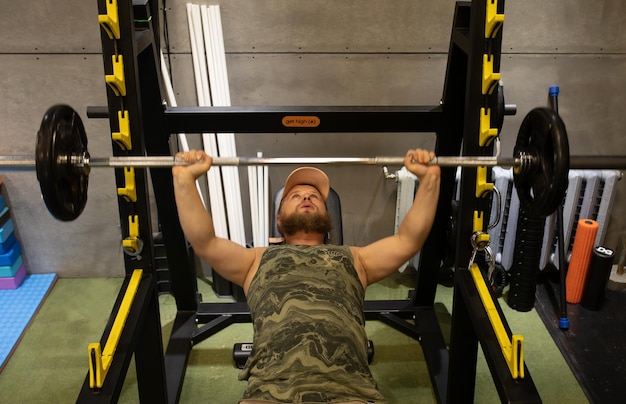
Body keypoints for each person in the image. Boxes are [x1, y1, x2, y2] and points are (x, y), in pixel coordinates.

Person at [172, 149, 440, 404]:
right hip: (268, 389)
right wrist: (184, 178)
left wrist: (430, 179)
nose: (306, 198)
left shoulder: (356, 258)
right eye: (295, 196)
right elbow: (204, 241)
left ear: (327, 216)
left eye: (314, 196)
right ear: (279, 220)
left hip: (348, 388)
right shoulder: (254, 259)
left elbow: (408, 240)